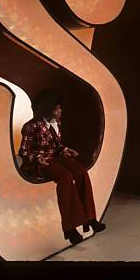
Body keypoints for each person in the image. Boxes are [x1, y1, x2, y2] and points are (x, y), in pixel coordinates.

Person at [19, 89, 105, 245]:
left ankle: (90, 219)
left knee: (80, 172)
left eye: (59, 108)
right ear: (48, 109)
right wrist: (38, 158)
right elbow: (23, 151)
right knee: (65, 177)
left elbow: (56, 146)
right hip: (40, 163)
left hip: (55, 158)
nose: (60, 111)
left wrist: (65, 150)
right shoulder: (31, 126)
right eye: (57, 108)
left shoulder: (57, 123)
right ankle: (70, 228)